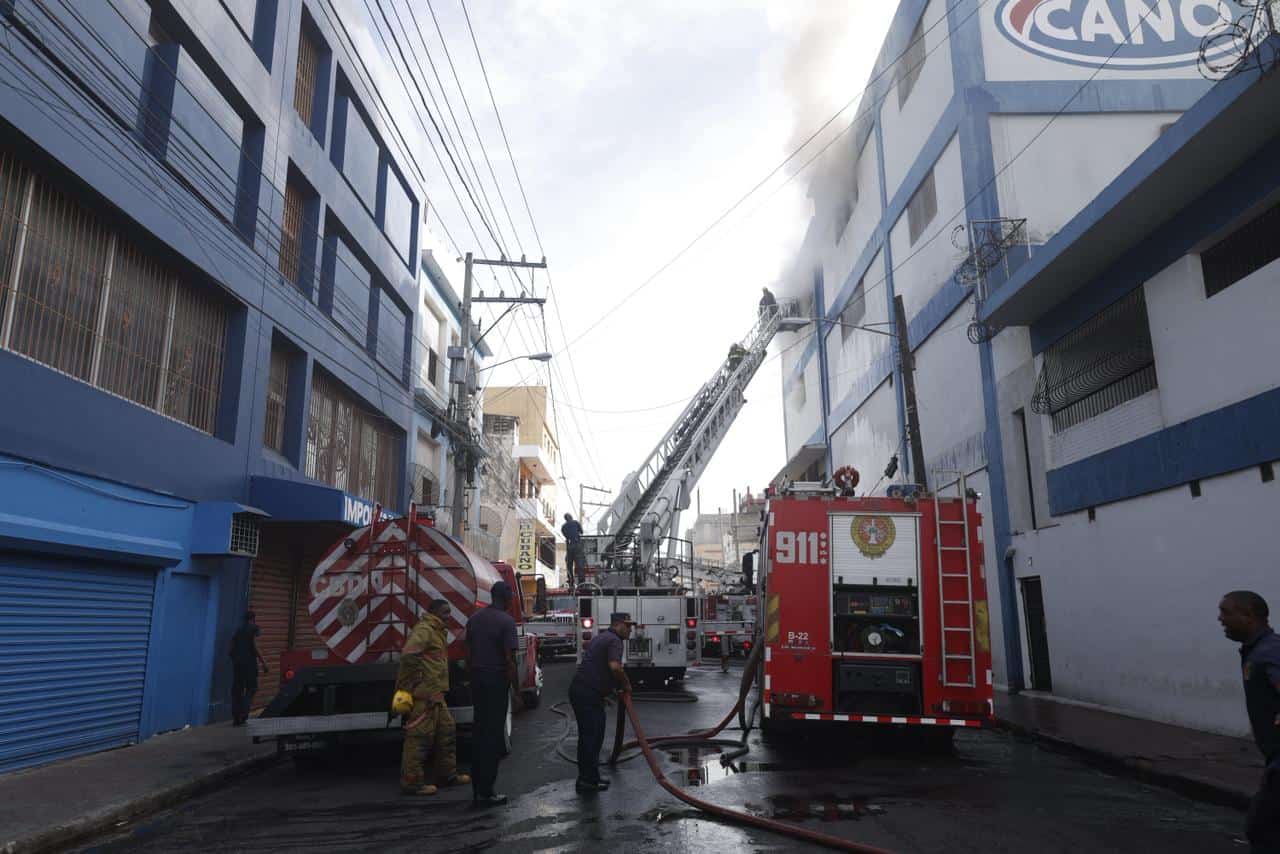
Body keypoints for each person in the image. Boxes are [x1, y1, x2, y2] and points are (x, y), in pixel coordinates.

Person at [1219, 590, 1280, 854]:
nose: (1220, 618)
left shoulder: (1269, 652)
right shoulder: (1258, 652)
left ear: (1249, 616)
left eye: (1226, 612)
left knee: (1262, 828)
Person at [398, 599, 470, 795]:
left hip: (436, 697)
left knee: (446, 732)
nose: (449, 616)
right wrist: (418, 683)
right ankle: (412, 783)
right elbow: (408, 656)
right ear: (435, 612)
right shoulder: (425, 630)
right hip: (425, 698)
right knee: (419, 739)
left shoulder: (437, 631)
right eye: (445, 612)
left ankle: (447, 776)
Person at [465, 580, 520, 807]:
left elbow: (468, 653)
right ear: (506, 599)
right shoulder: (506, 622)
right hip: (496, 682)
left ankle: (477, 788)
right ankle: (487, 792)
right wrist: (516, 692)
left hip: (477, 681)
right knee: (493, 736)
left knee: (479, 734)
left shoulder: (474, 619)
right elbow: (510, 659)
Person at [569, 612, 633, 793]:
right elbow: (614, 666)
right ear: (618, 625)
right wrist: (626, 684)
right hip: (586, 693)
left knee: (594, 736)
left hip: (585, 692)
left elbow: (596, 666)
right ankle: (586, 782)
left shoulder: (602, 637)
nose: (630, 630)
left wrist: (604, 693)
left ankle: (592, 778)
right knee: (591, 737)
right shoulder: (615, 641)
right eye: (628, 626)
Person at [228, 611, 267, 726]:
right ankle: (244, 715)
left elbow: (230, 647)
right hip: (249, 664)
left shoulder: (238, 630)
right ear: (253, 619)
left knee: (237, 690)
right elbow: (255, 645)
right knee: (251, 689)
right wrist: (263, 662)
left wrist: (234, 658)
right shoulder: (254, 628)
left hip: (238, 664)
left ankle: (236, 718)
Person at [561, 513, 585, 587]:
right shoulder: (575, 523)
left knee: (569, 563)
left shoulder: (563, 527)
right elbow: (581, 532)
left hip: (569, 546)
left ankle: (570, 579)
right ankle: (581, 580)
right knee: (579, 562)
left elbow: (565, 535)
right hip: (577, 545)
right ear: (571, 517)